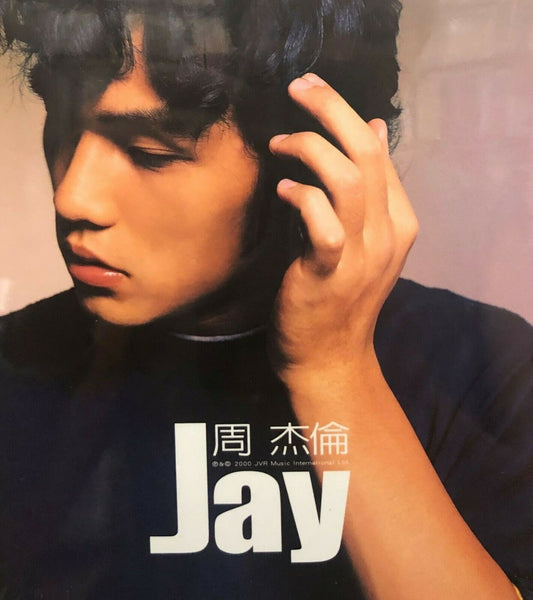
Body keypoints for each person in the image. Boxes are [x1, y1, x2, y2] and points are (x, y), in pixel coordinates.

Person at [0, 1, 531, 599]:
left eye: (151, 153)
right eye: (62, 126)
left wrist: (334, 371)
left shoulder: (486, 370)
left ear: (317, 160)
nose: (72, 198)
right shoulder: (14, 366)